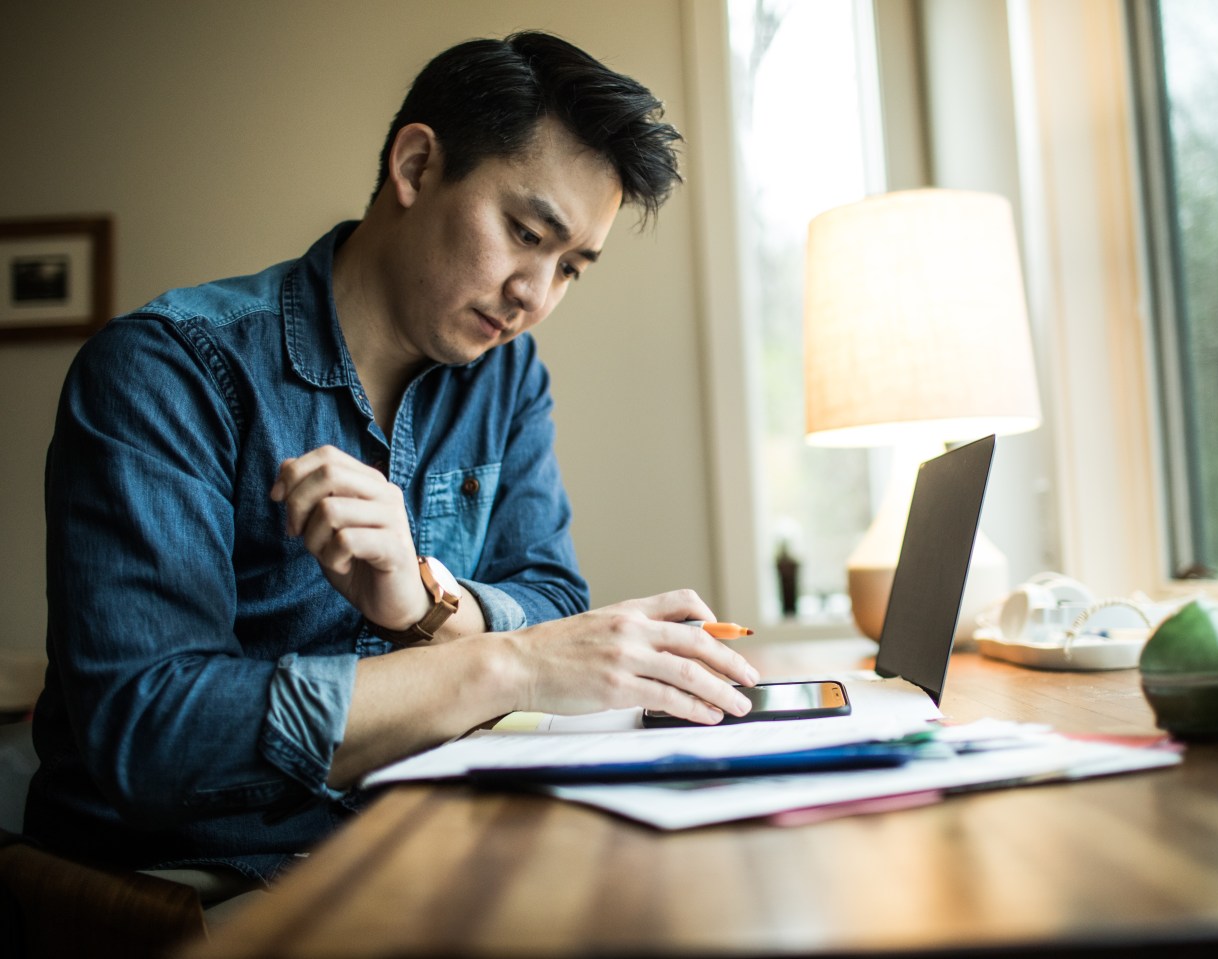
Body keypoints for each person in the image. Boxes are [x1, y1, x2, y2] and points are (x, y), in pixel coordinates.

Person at [25, 31, 756, 890]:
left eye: (571, 269)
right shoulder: (167, 372)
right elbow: (156, 734)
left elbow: (553, 594)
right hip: (186, 883)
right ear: (415, 167)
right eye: (524, 232)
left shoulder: (507, 377)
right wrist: (501, 663)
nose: (535, 296)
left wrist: (428, 602)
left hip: (420, 844)